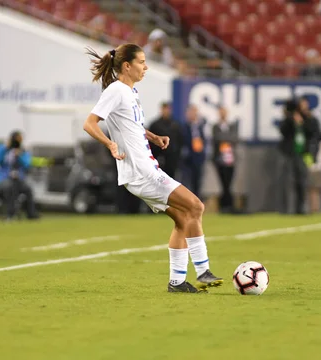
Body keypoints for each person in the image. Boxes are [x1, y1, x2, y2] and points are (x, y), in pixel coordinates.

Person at [83, 44, 222, 293]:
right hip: (141, 171)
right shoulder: (116, 90)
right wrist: (110, 144)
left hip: (144, 169)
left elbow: (131, 125)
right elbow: (90, 123)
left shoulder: (130, 92)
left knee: (183, 220)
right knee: (196, 206)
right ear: (127, 66)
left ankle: (177, 282)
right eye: (142, 62)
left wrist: (153, 136)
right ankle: (203, 271)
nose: (146, 67)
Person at [0, 131, 39, 220]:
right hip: (3, 179)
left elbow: (27, 163)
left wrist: (20, 155)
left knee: (28, 188)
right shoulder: (2, 148)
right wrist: (5, 148)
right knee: (10, 186)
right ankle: (10, 214)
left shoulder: (22, 150)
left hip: (18, 179)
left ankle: (31, 213)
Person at [212, 106, 239, 213]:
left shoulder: (232, 125)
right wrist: (227, 138)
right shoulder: (216, 126)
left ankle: (228, 205)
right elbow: (216, 138)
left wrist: (224, 138)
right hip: (220, 159)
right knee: (223, 182)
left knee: (229, 182)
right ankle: (224, 205)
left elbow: (234, 138)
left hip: (231, 159)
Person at [148, 102, 183, 180]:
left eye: (168, 109)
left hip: (172, 159)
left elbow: (180, 141)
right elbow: (150, 142)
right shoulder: (155, 125)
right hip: (159, 158)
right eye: (164, 109)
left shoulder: (176, 124)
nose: (166, 111)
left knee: (171, 180)